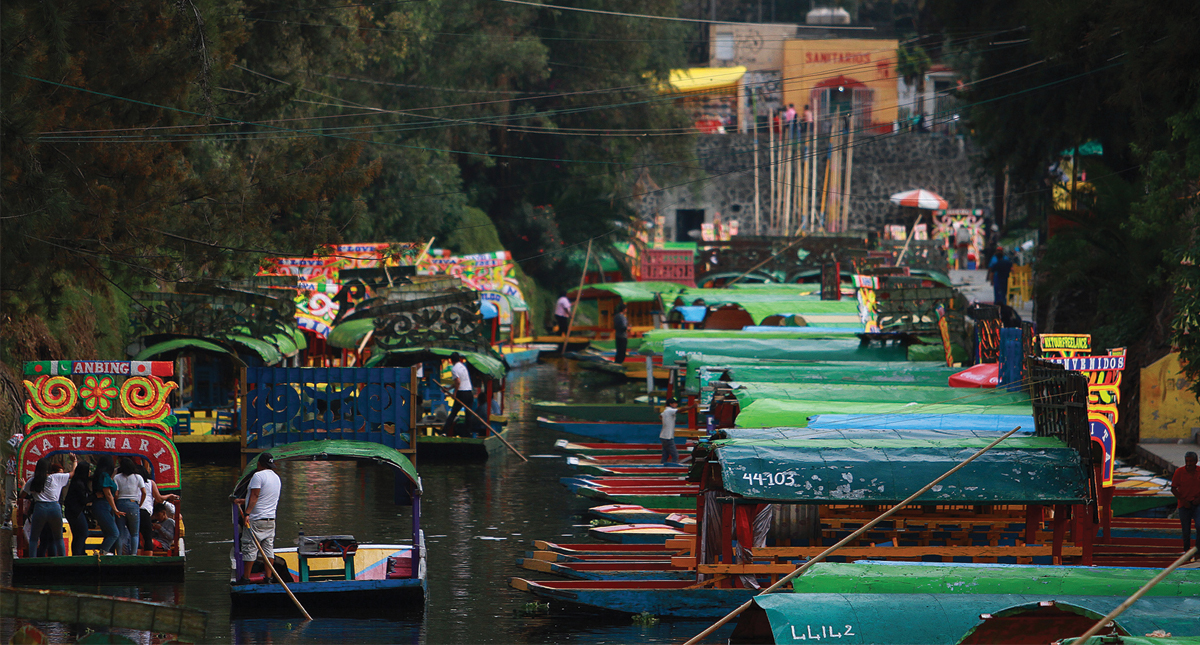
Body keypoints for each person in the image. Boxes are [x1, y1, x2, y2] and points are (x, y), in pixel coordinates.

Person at [236, 452, 281, 582]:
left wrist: (247, 513)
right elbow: (264, 498)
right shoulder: (276, 478)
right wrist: (243, 501)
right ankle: (269, 578)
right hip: (270, 519)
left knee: (250, 547)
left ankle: (245, 578)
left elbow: (255, 496)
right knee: (268, 549)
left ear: (259, 464)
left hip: (256, 519)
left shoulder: (258, 475)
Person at [20, 455, 74, 557]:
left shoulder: (33, 480)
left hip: (40, 508)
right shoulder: (56, 477)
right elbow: (72, 474)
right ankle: (63, 559)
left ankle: (32, 560)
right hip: (54, 508)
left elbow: (22, 495)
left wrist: (23, 485)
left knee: (34, 538)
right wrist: (74, 461)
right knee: (58, 537)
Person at [137, 465, 179, 553]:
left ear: (164, 513)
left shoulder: (169, 522)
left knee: (141, 538)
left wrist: (159, 528)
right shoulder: (150, 483)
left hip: (162, 543)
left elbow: (171, 536)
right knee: (143, 539)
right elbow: (159, 498)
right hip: (144, 511)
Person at [113, 457, 145, 555]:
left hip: (120, 504)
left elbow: (116, 494)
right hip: (133, 504)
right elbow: (144, 492)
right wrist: (140, 504)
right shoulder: (138, 477)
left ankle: (119, 554)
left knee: (121, 532)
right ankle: (134, 554)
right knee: (134, 533)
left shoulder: (117, 477)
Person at [1171, 451, 1200, 555]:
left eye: (1191, 461)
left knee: (1199, 525)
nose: (1189, 464)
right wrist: (1183, 501)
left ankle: (1197, 550)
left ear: (1196, 462)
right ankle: (1187, 551)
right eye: (1187, 461)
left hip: (1197, 504)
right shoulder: (1179, 472)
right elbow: (1173, 489)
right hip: (1184, 504)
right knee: (1186, 530)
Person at [91, 456, 122, 554]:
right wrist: (115, 509)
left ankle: (106, 552)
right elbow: (108, 493)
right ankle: (102, 553)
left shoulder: (100, 475)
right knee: (114, 533)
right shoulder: (104, 475)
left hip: (102, 505)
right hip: (103, 505)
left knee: (108, 532)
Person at [441, 353, 475, 436]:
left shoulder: (454, 369)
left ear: (451, 360)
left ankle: (445, 432)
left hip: (462, 393)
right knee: (468, 414)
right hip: (469, 392)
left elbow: (458, 382)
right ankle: (468, 432)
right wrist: (449, 388)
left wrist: (455, 393)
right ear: (459, 359)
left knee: (453, 413)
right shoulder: (463, 367)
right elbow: (458, 382)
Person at [64, 460, 93, 556]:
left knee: (76, 535)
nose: (89, 472)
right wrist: (95, 496)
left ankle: (77, 554)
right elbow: (83, 500)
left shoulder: (76, 482)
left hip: (71, 511)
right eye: (88, 470)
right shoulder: (79, 484)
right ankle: (78, 554)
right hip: (75, 512)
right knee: (83, 533)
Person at [659, 398, 695, 466]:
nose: (676, 404)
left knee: (665, 454)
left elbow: (660, 416)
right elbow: (681, 409)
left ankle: (662, 466)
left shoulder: (665, 411)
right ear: (671, 404)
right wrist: (691, 407)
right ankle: (674, 467)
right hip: (668, 437)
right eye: (675, 403)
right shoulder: (670, 410)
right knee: (675, 455)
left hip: (663, 436)